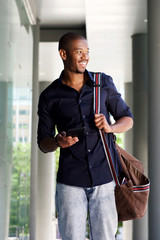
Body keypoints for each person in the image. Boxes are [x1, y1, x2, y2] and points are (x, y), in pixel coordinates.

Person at [37, 32, 133, 240]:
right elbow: (43, 143)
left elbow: (127, 118)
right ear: (63, 54)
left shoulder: (103, 83)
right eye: (78, 52)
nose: (84, 57)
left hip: (105, 179)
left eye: (87, 52)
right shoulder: (49, 96)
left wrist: (110, 127)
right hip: (70, 182)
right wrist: (57, 141)